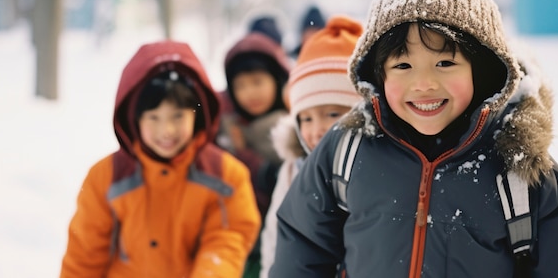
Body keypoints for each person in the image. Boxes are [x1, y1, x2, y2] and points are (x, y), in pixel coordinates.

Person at [269, 0, 558, 277]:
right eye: (403, 66)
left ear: (481, 70)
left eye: (445, 63)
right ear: (378, 73)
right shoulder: (346, 149)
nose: (424, 84)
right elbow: (303, 242)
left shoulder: (519, 166)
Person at [60, 40, 261, 278]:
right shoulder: (105, 178)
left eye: (177, 116)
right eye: (154, 118)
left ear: (196, 115)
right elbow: (85, 255)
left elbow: (227, 240)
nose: (166, 130)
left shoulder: (226, 175)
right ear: (135, 120)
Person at [259, 15, 363, 278]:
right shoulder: (293, 171)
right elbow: (274, 240)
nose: (316, 129)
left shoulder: (375, 169)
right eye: (306, 118)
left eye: (332, 114)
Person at [216, 31, 291, 277]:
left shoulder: (298, 123)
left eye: (257, 81)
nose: (250, 93)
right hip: (240, 241)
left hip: (285, 241)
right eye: (241, 86)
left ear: (276, 80)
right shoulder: (225, 128)